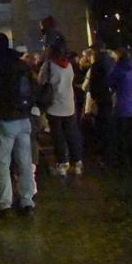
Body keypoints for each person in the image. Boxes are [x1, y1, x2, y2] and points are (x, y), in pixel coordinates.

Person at [0, 33, 36, 217]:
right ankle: (26, 201)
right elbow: (33, 88)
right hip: (24, 118)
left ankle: (5, 203)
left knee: (1, 162)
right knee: (25, 161)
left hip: (4, 119)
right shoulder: (21, 64)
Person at [39, 42, 82, 176]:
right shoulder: (68, 65)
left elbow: (41, 81)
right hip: (69, 104)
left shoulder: (49, 65)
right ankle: (78, 162)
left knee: (58, 136)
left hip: (54, 105)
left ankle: (63, 163)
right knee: (72, 134)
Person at [106, 48, 132, 171]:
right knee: (131, 133)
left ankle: (122, 160)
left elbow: (109, 82)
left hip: (121, 106)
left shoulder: (118, 70)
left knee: (121, 135)